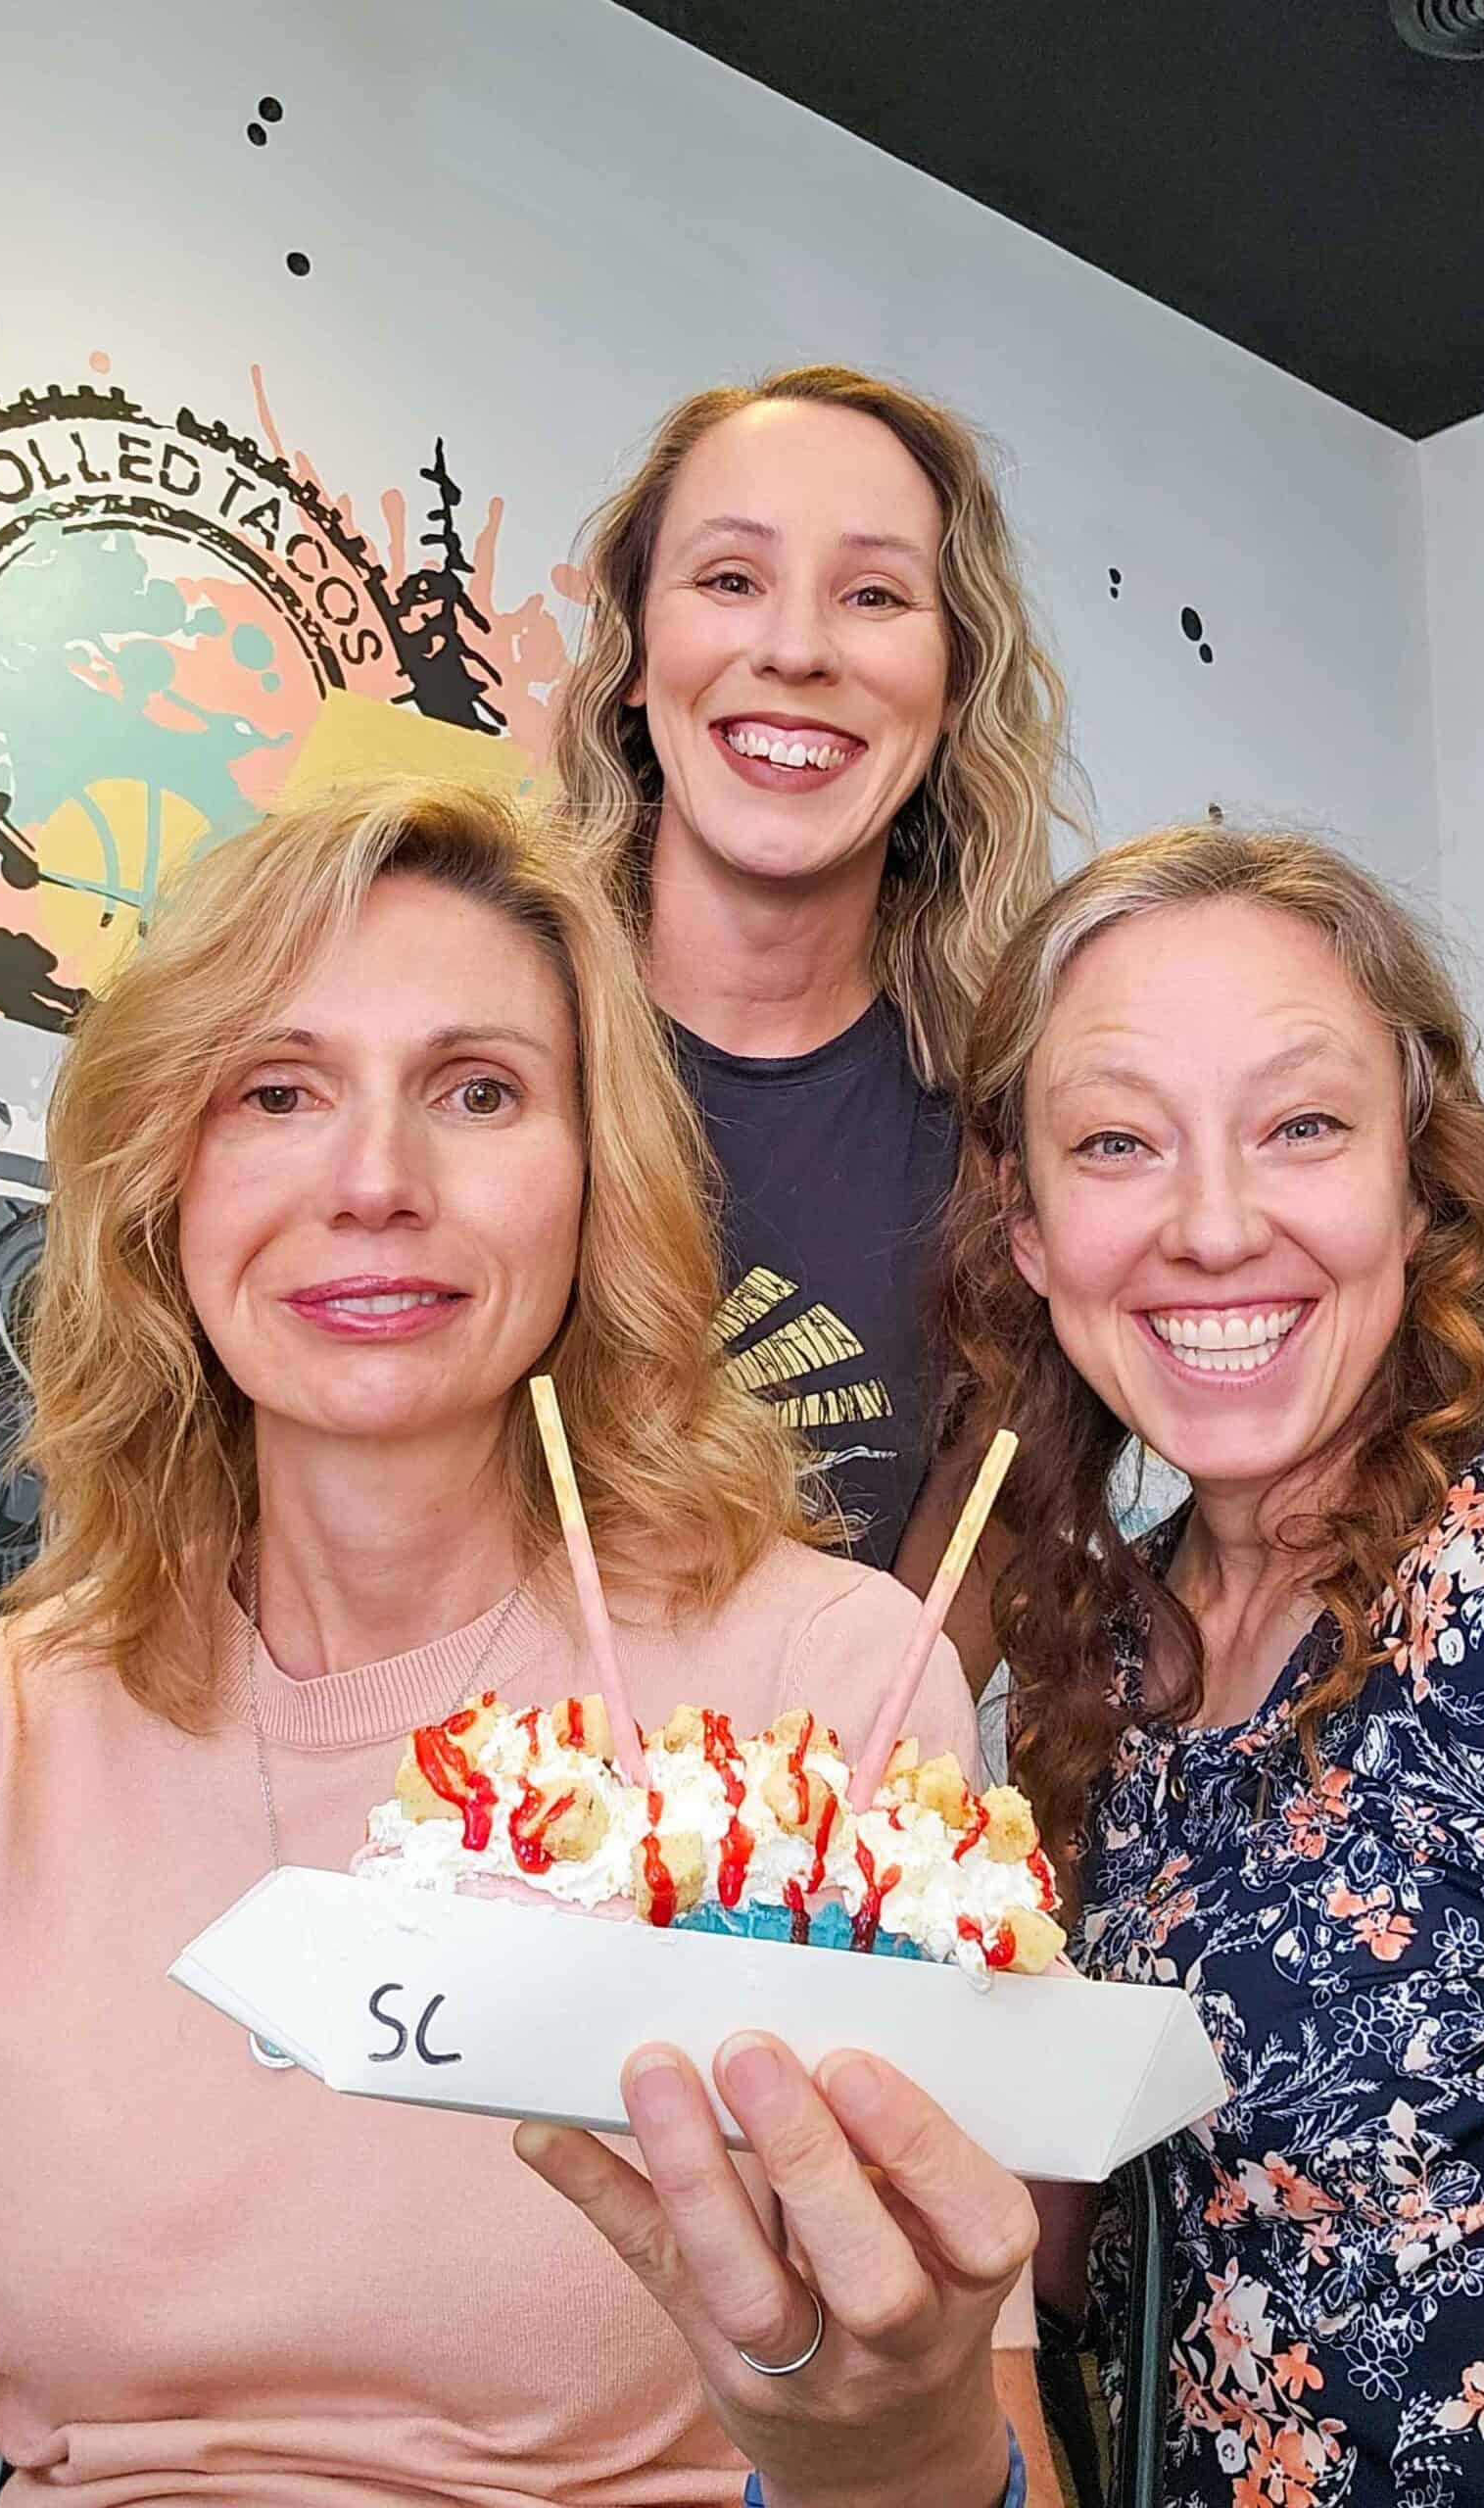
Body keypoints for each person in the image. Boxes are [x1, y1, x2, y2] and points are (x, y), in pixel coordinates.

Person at [0, 777, 1051, 2508]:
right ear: (163, 1174)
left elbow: (969, 2444)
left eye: (478, 1091)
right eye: (280, 1092)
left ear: (597, 1181)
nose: (376, 1182)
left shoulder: (827, 1684)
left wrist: (894, 2442)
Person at [942, 823, 1484, 2504]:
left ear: (1421, 1186)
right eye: (1119, 1142)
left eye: (1304, 1127)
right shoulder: (1092, 1678)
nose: (1211, 1225)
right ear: (1028, 1225)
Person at [551, 362, 1076, 1648]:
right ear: (635, 648)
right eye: (730, 581)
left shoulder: (1017, 1134)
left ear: (954, 688)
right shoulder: (476, 1048)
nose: (793, 649)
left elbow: (933, 1629)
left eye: (876, 596)